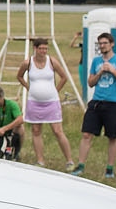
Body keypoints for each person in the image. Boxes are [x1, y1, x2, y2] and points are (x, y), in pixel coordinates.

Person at [75, 32, 116, 179]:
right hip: (97, 102)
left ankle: (109, 168)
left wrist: (113, 71)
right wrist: (100, 72)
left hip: (114, 103)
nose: (102, 46)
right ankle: (80, 165)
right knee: (86, 134)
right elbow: (90, 82)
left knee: (113, 136)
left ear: (112, 44)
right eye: (100, 44)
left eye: (105, 43)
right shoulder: (96, 61)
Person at [17, 37, 75, 170]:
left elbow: (64, 77)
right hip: (34, 102)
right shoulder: (28, 63)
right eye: (41, 48)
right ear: (35, 48)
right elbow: (19, 76)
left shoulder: (52, 61)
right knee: (36, 130)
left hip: (51, 102)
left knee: (58, 131)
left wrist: (55, 90)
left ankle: (69, 161)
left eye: (45, 48)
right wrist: (28, 87)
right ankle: (40, 160)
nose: (43, 51)